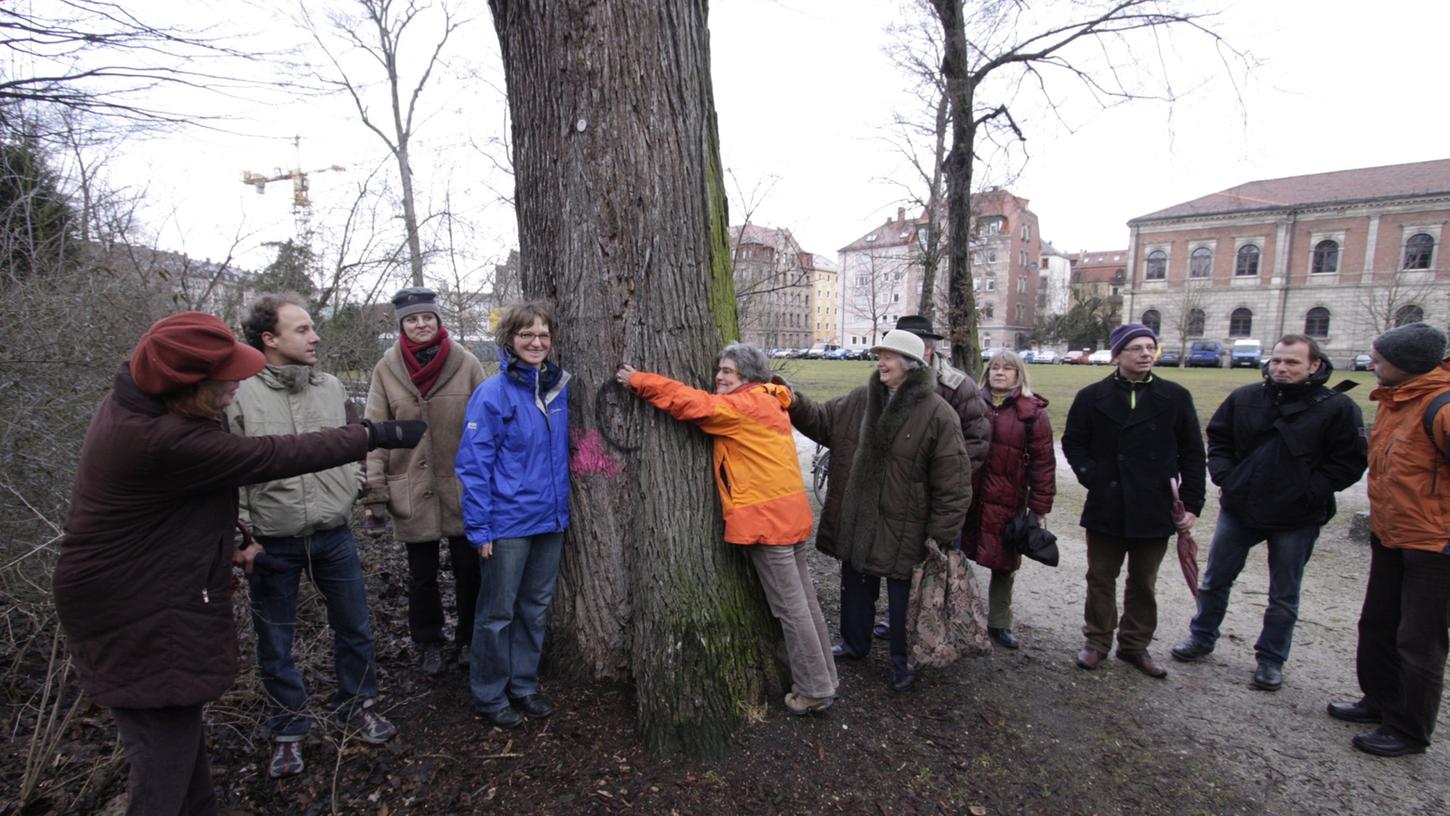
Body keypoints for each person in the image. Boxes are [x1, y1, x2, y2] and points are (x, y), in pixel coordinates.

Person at [53, 312, 421, 814]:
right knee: (162, 771)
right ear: (189, 385)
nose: (238, 383)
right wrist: (372, 434)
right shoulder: (162, 438)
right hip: (138, 614)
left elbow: (161, 516)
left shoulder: (146, 411)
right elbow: (271, 455)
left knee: (181, 754)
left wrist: (228, 547)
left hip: (144, 595)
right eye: (227, 378)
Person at [227, 293, 398, 779]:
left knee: (355, 627)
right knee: (275, 641)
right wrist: (242, 538)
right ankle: (289, 728)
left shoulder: (328, 389)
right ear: (269, 339)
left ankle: (357, 704)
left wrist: (355, 489)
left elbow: (353, 445)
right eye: (301, 329)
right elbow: (229, 473)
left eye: (312, 328)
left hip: (333, 533)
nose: (315, 336)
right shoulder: (239, 394)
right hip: (272, 540)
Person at [616, 343, 837, 715]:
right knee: (805, 605)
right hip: (789, 516)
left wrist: (639, 380)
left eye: (728, 372)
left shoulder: (743, 407)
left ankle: (814, 689)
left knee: (791, 610)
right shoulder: (771, 400)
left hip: (769, 523)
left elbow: (691, 404)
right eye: (719, 369)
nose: (719, 376)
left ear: (748, 378)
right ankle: (825, 677)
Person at [1172, 335, 1366, 691]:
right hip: (1241, 507)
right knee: (1215, 579)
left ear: (1314, 365)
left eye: (1292, 362)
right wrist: (1226, 476)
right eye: (1277, 360)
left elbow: (1349, 461)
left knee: (1283, 594)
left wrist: (1313, 490)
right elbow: (1218, 438)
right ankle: (1201, 637)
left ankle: (1271, 659)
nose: (1281, 367)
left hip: (1298, 515)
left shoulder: (1337, 408)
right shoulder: (1245, 399)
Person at [789, 329, 971, 692]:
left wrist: (941, 534)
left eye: (888, 356)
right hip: (859, 518)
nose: (880, 362)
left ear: (911, 365)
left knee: (904, 600)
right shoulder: (860, 400)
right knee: (855, 584)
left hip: (908, 527)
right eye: (880, 355)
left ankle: (903, 662)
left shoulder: (938, 414)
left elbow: (954, 482)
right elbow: (823, 420)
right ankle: (855, 644)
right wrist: (792, 400)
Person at [1329, 322, 1450, 757]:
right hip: (1391, 535)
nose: (1372, 361)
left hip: (1435, 545)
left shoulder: (1442, 405)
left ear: (1406, 363)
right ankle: (1379, 700)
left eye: (1379, 356)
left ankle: (1409, 729)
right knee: (1378, 624)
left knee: (1419, 642)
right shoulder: (1397, 401)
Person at [1062, 323, 1205, 678]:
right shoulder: (1092, 396)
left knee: (1144, 580)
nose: (1144, 354)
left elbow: (1192, 452)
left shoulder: (1175, 397)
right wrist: (1093, 476)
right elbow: (1073, 442)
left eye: (1149, 348)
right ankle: (1096, 641)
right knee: (1100, 577)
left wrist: (1191, 504)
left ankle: (1134, 645)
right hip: (1107, 502)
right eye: (1135, 348)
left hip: (1154, 504)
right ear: (1117, 354)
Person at [456, 300, 571, 729]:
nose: (536, 342)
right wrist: (480, 527)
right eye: (526, 335)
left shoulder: (556, 389)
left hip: (550, 520)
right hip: (506, 525)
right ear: (509, 339)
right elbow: (473, 465)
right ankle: (489, 694)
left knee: (535, 608)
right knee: (497, 613)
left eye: (543, 335)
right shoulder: (493, 393)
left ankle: (524, 685)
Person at [363, 287, 486, 676]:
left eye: (427, 318)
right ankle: (428, 642)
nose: (420, 325)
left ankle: (468, 638)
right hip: (411, 489)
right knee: (421, 574)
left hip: (462, 487)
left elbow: (487, 425)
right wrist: (376, 491)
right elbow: (374, 432)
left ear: (438, 320)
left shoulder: (466, 363)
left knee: (470, 569)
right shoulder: (387, 368)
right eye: (412, 319)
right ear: (402, 324)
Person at [870, 315, 992, 641]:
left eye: (918, 343)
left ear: (927, 348)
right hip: (899, 496)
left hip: (938, 494)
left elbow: (975, 443)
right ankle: (893, 619)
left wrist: (942, 485)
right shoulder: (886, 383)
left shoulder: (956, 385)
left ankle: (936, 626)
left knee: (937, 562)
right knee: (896, 563)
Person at [964, 349, 1056, 650]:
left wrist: (1040, 506)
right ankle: (952, 613)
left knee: (1003, 562)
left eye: (1007, 368)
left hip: (1007, 499)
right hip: (970, 495)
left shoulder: (1032, 414)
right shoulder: (971, 404)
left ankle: (999, 622)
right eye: (994, 368)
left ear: (1019, 374)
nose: (999, 373)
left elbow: (1043, 464)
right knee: (954, 553)